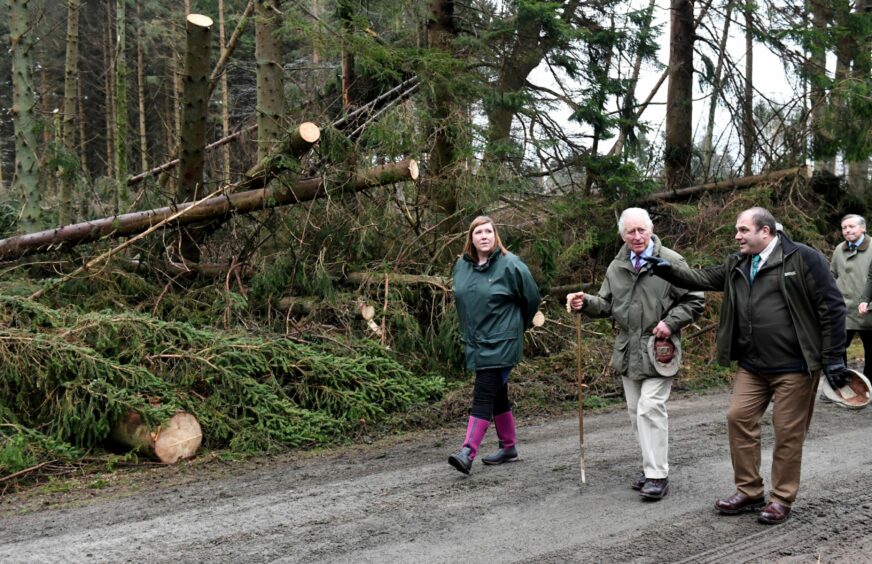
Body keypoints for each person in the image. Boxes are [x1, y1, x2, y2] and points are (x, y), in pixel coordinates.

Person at [644, 207, 847, 524]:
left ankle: (781, 498)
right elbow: (702, 277)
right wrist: (667, 269)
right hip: (753, 365)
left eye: (743, 230)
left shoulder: (803, 258)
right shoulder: (738, 263)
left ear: (765, 232)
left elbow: (831, 306)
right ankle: (750, 491)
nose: (737, 236)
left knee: (787, 434)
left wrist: (834, 357)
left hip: (795, 366)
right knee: (738, 418)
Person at [566, 208, 704, 500]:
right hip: (628, 351)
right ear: (622, 235)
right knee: (635, 412)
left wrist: (671, 322)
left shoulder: (671, 261)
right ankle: (649, 467)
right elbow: (605, 304)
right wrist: (585, 302)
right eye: (631, 232)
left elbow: (695, 298)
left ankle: (657, 475)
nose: (637, 236)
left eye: (642, 230)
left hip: (659, 349)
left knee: (650, 408)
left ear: (651, 229)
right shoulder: (617, 266)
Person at [449, 216, 541, 475]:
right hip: (477, 342)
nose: (484, 236)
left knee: (483, 394)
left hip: (503, 342)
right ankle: (508, 447)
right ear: (472, 238)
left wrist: (515, 326)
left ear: (495, 235)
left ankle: (467, 451)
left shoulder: (510, 264)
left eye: (489, 231)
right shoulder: (462, 266)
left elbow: (532, 297)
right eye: (479, 232)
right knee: (498, 394)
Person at [829, 214, 872, 384]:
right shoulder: (839, 249)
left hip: (867, 311)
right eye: (844, 228)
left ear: (863, 228)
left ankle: (868, 386)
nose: (847, 230)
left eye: (851, 226)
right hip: (843, 310)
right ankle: (840, 383)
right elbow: (832, 275)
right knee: (837, 349)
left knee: (870, 351)